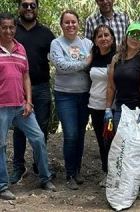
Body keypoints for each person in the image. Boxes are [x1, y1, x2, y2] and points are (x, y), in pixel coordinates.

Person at [0, 13, 56, 201]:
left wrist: (28, 101)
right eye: (4, 27)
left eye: (11, 27)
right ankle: (2, 186)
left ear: (15, 28)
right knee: (0, 145)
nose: (8, 31)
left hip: (21, 105)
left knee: (38, 138)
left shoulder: (21, 48)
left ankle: (45, 177)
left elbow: (26, 76)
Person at [10, 0, 55, 185]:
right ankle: (18, 166)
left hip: (41, 87)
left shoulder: (46, 34)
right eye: (25, 5)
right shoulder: (11, 30)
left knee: (41, 128)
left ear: (37, 8)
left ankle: (39, 165)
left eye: (32, 5)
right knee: (19, 129)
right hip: (17, 89)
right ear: (19, 7)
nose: (29, 9)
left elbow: (59, 54)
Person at [50, 10, 93, 190]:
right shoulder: (56, 43)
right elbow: (61, 66)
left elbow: (95, 63)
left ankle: (77, 170)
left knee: (81, 134)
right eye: (66, 22)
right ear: (61, 25)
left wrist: (82, 66)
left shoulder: (87, 43)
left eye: (73, 22)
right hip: (65, 94)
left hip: (85, 94)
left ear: (78, 24)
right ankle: (69, 174)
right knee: (71, 134)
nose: (70, 25)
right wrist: (84, 64)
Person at [105, 23, 140, 131]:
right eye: (132, 34)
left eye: (139, 36)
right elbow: (111, 86)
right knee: (120, 145)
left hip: (136, 109)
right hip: (120, 108)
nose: (135, 38)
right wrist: (107, 108)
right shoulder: (116, 59)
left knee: (135, 146)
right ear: (126, 36)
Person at [87, 25, 117, 187]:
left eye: (107, 35)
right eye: (100, 36)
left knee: (111, 142)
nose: (103, 38)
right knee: (101, 141)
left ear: (112, 39)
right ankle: (106, 172)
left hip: (111, 108)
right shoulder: (93, 57)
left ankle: (115, 174)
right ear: (95, 40)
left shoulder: (117, 58)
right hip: (94, 105)